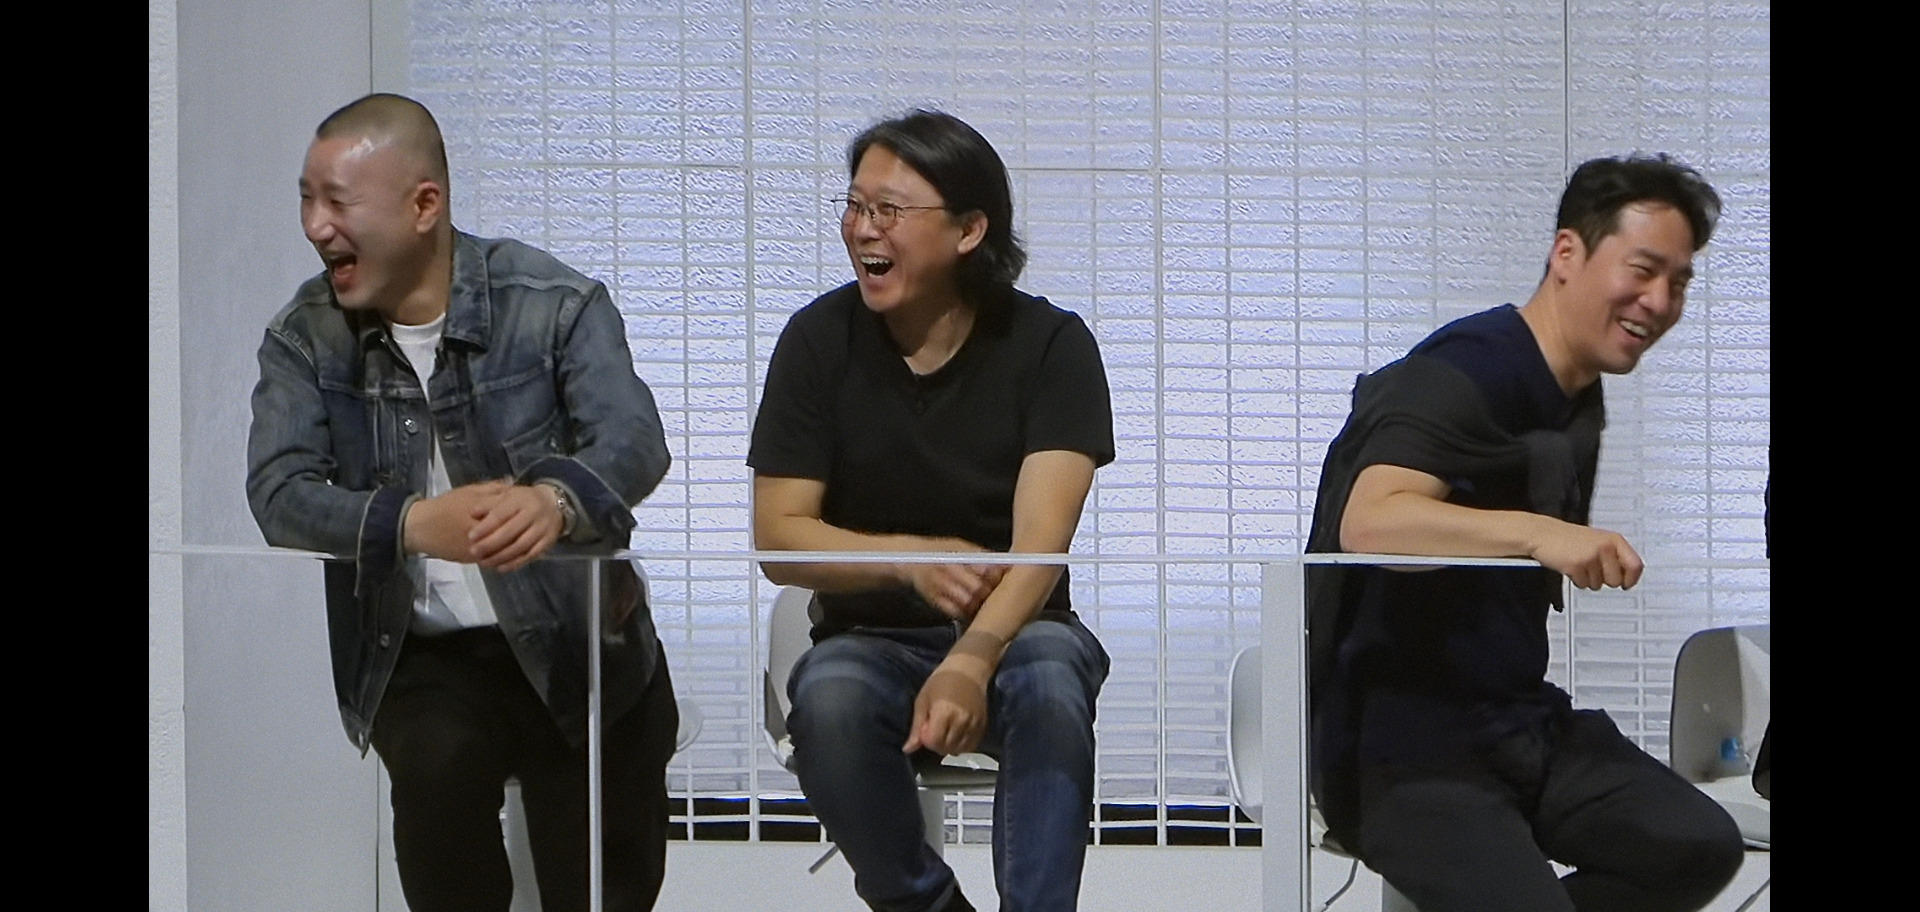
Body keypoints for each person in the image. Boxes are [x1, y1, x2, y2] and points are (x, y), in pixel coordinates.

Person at [245, 93, 677, 912]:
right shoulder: (303, 337)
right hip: (426, 661)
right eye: (306, 199)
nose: (315, 225)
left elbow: (635, 439)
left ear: (424, 206)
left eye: (337, 201)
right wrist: (412, 525)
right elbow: (277, 493)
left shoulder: (554, 303)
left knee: (603, 876)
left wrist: (555, 502)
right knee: (439, 789)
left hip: (580, 645)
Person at [1305, 155, 1745, 912]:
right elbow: (1372, 520)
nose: (1659, 301)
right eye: (1642, 271)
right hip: (1398, 747)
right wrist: (1542, 534)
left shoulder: (1579, 394)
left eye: (1679, 282)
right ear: (1567, 252)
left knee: (1697, 845)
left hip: (1515, 720)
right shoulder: (1469, 367)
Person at [748, 110, 1114, 912]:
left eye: (889, 210)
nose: (863, 229)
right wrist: (909, 561)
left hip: (1020, 629)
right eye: (854, 206)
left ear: (969, 230)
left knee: (1051, 680)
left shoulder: (1051, 345)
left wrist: (972, 660)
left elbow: (1040, 545)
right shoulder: (817, 340)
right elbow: (779, 537)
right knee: (830, 699)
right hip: (869, 637)